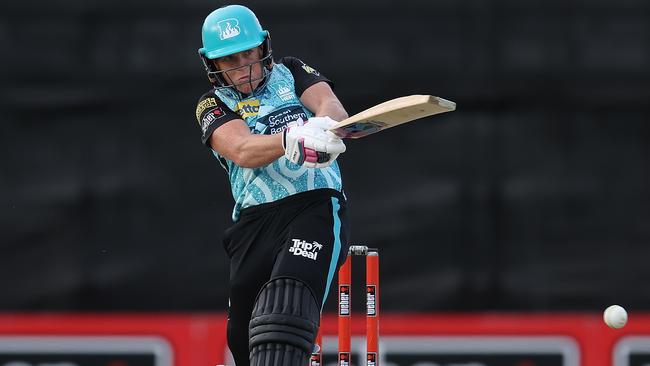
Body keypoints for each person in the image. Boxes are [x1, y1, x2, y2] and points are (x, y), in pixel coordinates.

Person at [194, 5, 351, 366]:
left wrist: (325, 127)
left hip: (314, 206)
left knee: (284, 321)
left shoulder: (292, 71)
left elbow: (330, 105)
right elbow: (241, 149)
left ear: (263, 46)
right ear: (212, 64)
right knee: (245, 345)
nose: (242, 66)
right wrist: (289, 138)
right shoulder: (212, 103)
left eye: (248, 53)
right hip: (254, 224)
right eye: (229, 59)